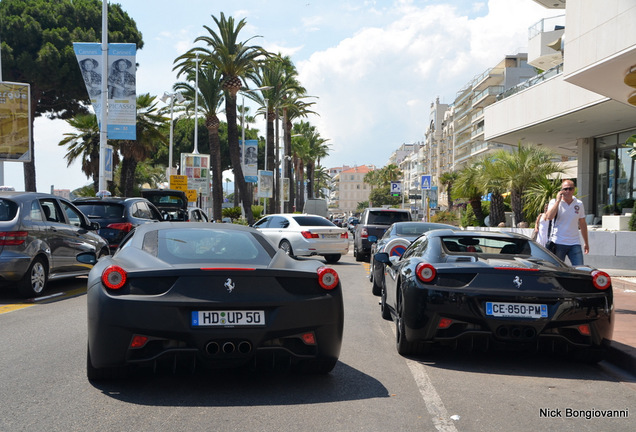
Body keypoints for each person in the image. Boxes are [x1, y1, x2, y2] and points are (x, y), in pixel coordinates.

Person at [545, 179, 589, 265]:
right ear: (561, 191)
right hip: (558, 242)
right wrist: (558, 201)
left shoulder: (579, 204)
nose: (568, 191)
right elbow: (549, 217)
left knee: (579, 269)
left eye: (570, 188)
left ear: (574, 190)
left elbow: (583, 223)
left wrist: (586, 243)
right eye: (565, 189)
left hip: (575, 243)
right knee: (558, 270)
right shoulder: (554, 202)